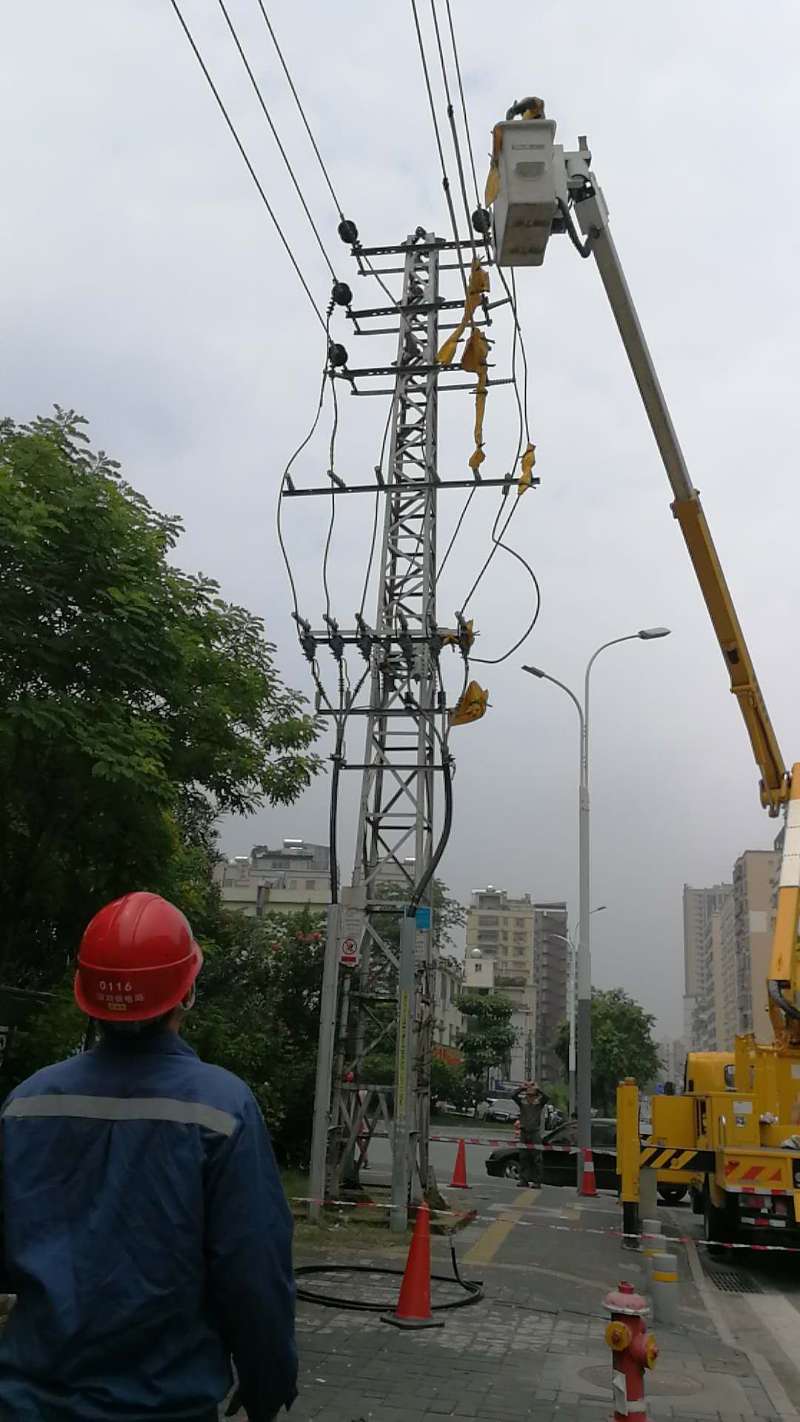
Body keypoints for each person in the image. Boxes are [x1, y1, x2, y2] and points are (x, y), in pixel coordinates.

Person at [0, 891, 298, 1422]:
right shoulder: (222, 1108)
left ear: (83, 992)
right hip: (163, 1404)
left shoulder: (26, 1103)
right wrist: (267, 1376)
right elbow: (253, 1269)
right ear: (186, 994)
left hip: (28, 1400)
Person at [511, 1080, 549, 1187]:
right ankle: (524, 1180)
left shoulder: (538, 1104)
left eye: (532, 1095)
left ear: (536, 1096)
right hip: (524, 1132)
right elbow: (513, 1095)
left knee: (537, 1159)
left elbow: (546, 1097)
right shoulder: (523, 1103)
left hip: (534, 1133)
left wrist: (537, 1089)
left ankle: (537, 1181)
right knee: (523, 1157)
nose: (529, 1097)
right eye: (528, 1095)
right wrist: (523, 1088)